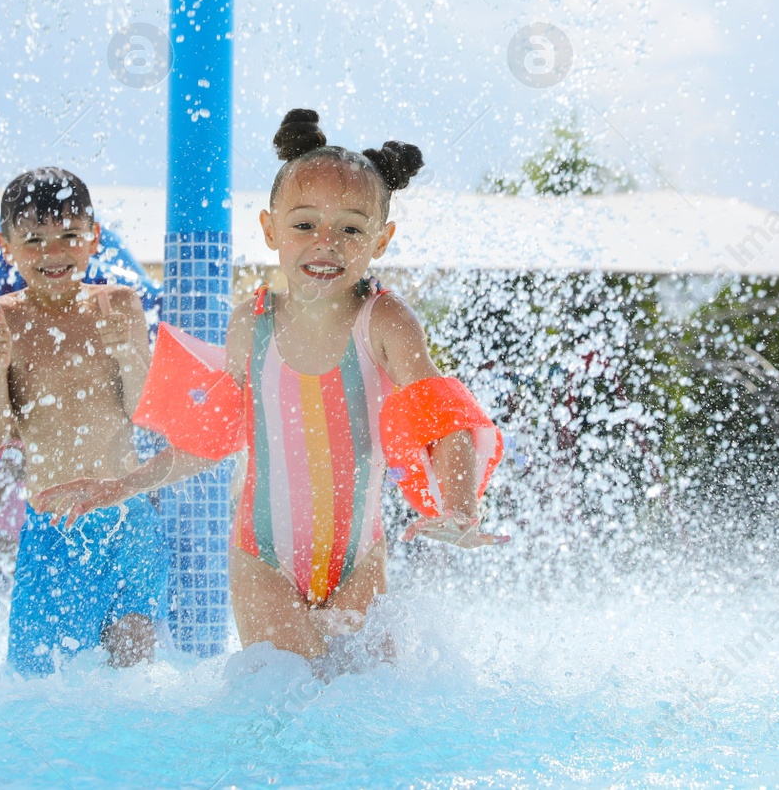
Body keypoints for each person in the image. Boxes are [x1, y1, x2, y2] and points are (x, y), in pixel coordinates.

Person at [39, 110, 505, 660]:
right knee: (283, 702)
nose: (325, 243)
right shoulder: (250, 324)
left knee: (356, 713)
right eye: (305, 224)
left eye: (351, 229)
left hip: (360, 557)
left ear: (381, 240)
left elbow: (442, 418)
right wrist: (126, 483)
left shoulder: (384, 321)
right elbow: (213, 437)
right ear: (270, 229)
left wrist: (457, 507)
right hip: (262, 557)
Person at [0, 167, 164, 673]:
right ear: (7, 245)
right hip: (52, 525)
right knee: (38, 684)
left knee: (132, 673)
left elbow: (143, 414)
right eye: (34, 240)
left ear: (94, 237)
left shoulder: (118, 305)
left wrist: (128, 354)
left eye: (69, 237)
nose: (53, 254)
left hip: (126, 520)